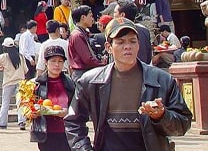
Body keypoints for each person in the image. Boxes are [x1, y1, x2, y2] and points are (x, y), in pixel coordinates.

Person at [65, 18, 192, 151]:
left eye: (132, 41)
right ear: (109, 47)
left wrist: (161, 115)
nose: (127, 46)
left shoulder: (162, 80)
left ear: (139, 45)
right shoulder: (91, 81)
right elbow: (73, 122)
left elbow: (183, 124)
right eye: (120, 42)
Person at [28, 45, 74, 151]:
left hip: (67, 133)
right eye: (53, 61)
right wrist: (32, 113)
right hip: (45, 134)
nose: (57, 65)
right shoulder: (36, 84)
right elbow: (27, 108)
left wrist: (68, 112)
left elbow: (77, 107)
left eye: (60, 61)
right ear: (46, 62)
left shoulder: (70, 84)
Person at [0, 37, 28, 130]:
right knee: (20, 103)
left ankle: (2, 123)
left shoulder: (4, 57)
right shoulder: (21, 56)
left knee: (5, 103)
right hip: (20, 82)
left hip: (8, 83)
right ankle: (22, 122)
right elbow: (26, 70)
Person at [67, 5, 106, 82]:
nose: (92, 19)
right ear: (83, 18)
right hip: (82, 74)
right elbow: (87, 59)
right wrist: (102, 64)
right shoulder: (77, 35)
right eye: (90, 16)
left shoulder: (82, 33)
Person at [113, 0, 153, 64]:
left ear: (122, 15)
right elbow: (149, 56)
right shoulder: (144, 30)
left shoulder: (117, 32)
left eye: (115, 12)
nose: (113, 15)